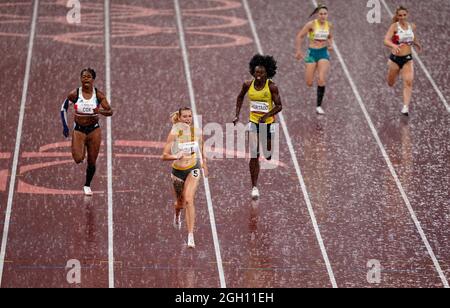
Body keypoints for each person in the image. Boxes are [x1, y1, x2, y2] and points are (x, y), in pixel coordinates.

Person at [233, 54, 282, 200]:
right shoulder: (248, 85)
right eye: (256, 72)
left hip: (268, 124)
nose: (258, 75)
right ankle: (254, 186)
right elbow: (240, 97)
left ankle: (269, 146)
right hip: (254, 123)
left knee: (267, 154)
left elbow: (279, 106)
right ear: (252, 72)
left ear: (267, 72)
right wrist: (237, 115)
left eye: (261, 72)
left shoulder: (272, 87)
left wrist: (266, 116)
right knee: (254, 154)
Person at [60, 68, 113, 196]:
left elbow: (110, 111)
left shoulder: (98, 95)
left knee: (92, 161)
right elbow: (63, 108)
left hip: (94, 130)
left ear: (93, 79)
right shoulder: (75, 94)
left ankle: (87, 185)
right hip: (79, 129)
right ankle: (81, 148)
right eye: (83, 77)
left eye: (88, 77)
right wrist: (65, 126)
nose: (85, 79)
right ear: (80, 79)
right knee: (78, 159)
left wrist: (98, 111)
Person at [162, 107, 208, 248]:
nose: (188, 119)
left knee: (189, 199)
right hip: (178, 171)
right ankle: (177, 214)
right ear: (180, 118)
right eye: (185, 117)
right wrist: (176, 155)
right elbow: (164, 156)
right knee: (180, 203)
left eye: (190, 116)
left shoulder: (197, 132)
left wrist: (204, 163)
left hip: (193, 168)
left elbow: (202, 148)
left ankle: (190, 235)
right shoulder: (174, 133)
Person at [295, 3, 333, 115]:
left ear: (327, 15)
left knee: (321, 79)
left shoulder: (329, 25)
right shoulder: (310, 25)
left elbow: (330, 37)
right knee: (309, 82)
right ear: (317, 14)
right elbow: (300, 36)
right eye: (321, 14)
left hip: (323, 53)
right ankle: (313, 68)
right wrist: (298, 50)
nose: (323, 16)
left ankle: (318, 106)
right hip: (311, 53)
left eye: (325, 14)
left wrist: (330, 45)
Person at [384, 5, 422, 116]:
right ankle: (390, 65)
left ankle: (405, 107)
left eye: (404, 15)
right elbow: (386, 40)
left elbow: (412, 36)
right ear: (397, 16)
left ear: (407, 15)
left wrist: (416, 43)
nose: (402, 17)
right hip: (395, 59)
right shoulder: (394, 27)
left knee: (409, 82)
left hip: (407, 59)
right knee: (390, 83)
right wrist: (393, 46)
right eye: (400, 15)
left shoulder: (411, 26)